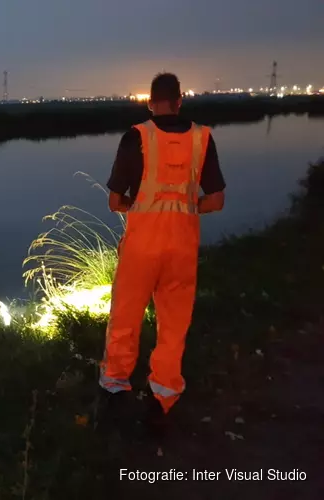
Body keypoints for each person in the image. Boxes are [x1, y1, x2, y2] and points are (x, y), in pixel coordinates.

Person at [99, 72, 226, 434]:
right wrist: (186, 206)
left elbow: (113, 201)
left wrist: (138, 206)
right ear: (180, 100)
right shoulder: (204, 138)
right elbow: (216, 200)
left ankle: (115, 387)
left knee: (125, 316)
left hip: (142, 247)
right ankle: (164, 395)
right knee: (174, 323)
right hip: (181, 247)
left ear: (151, 103)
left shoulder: (136, 136)